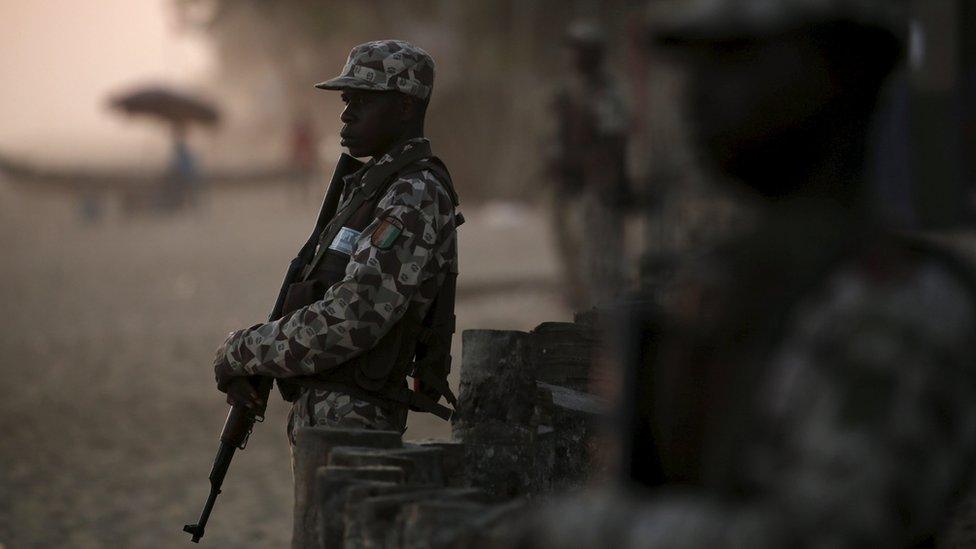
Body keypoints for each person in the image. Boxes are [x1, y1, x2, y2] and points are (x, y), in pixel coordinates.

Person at [519, 1, 976, 546]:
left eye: (735, 58)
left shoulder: (897, 304)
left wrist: (586, 531)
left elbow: (832, 533)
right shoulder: (722, 280)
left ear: (847, 68)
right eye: (696, 63)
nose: (698, 92)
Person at [211, 40, 460, 440]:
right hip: (331, 417)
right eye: (346, 100)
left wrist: (243, 351)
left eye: (363, 101)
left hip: (356, 426)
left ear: (406, 107)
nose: (345, 115)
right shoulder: (376, 186)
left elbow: (354, 316)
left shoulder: (413, 194)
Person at [548, 21, 630, 309]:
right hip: (569, 183)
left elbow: (614, 142)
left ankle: (604, 307)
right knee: (569, 246)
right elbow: (557, 133)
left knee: (601, 253)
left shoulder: (606, 92)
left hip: (597, 184)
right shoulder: (568, 89)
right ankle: (578, 300)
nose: (573, 56)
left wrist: (605, 178)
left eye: (580, 50)